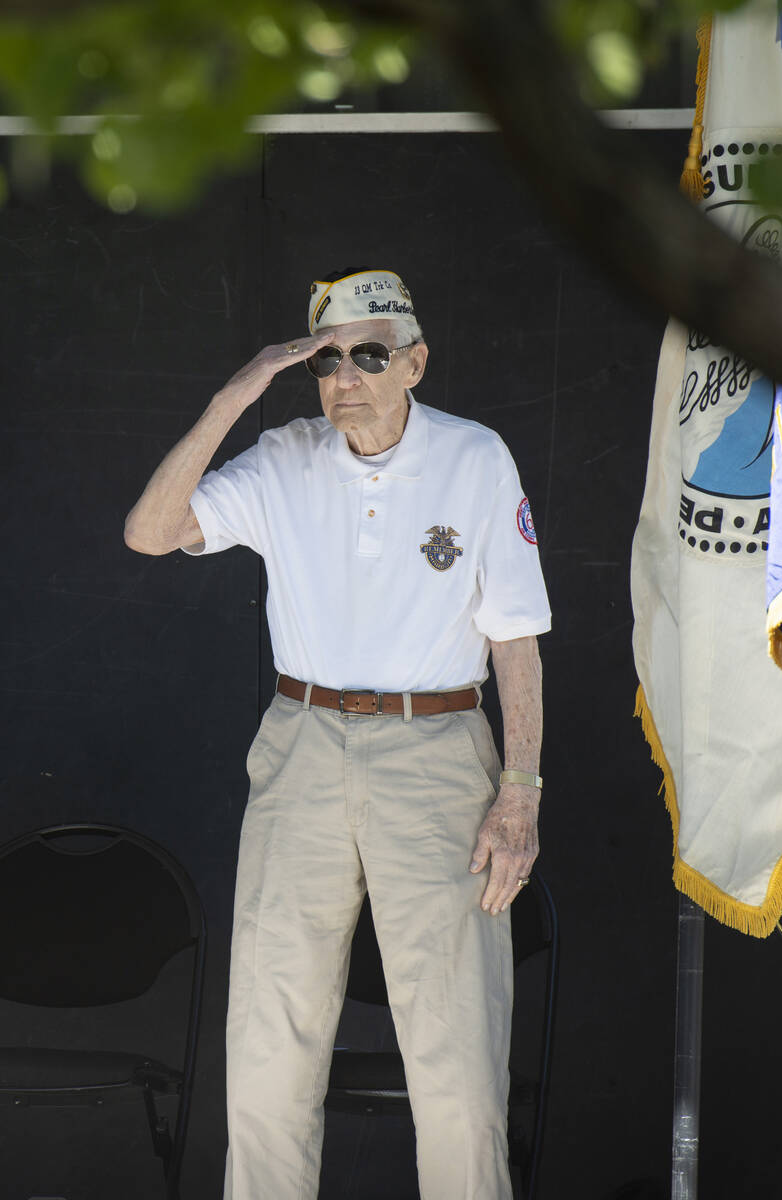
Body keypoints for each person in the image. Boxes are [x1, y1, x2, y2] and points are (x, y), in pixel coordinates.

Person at [124, 267, 551, 1200]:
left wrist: (519, 791)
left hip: (438, 749)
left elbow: (515, 644)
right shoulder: (284, 455)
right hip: (302, 740)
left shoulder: (476, 458)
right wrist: (235, 395)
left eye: (368, 355)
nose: (345, 377)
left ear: (415, 363)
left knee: (456, 1048)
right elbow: (151, 533)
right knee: (270, 1038)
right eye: (325, 362)